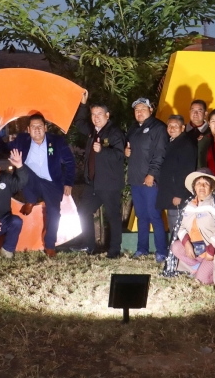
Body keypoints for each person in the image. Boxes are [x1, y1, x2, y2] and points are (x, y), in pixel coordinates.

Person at [0, 113, 75, 258]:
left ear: (45, 128)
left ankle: (50, 245)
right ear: (28, 129)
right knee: (23, 167)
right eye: (33, 127)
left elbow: (70, 163)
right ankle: (30, 199)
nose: (37, 129)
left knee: (54, 213)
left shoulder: (57, 141)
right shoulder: (22, 140)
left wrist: (69, 182)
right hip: (31, 180)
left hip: (52, 184)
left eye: (40, 126)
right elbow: (4, 149)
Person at [162, 168, 215, 285]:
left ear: (212, 187)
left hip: (213, 253)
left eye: (206, 183)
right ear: (194, 187)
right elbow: (181, 226)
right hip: (196, 249)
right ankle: (197, 265)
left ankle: (210, 271)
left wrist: (211, 250)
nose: (202, 186)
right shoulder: (189, 204)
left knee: (201, 280)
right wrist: (186, 243)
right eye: (198, 183)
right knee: (176, 246)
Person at [74, 93, 126, 258]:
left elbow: (120, 155)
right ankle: (89, 246)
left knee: (113, 216)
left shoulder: (114, 132)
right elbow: (78, 123)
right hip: (93, 184)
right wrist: (83, 105)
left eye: (99, 114)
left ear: (107, 115)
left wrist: (103, 151)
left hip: (109, 184)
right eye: (93, 114)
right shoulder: (92, 131)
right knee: (83, 212)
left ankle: (114, 251)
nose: (96, 118)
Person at [125, 98, 169, 262]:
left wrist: (152, 174)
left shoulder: (158, 127)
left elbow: (160, 153)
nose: (139, 112)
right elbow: (128, 146)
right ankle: (141, 249)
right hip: (136, 179)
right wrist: (126, 151)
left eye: (143, 108)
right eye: (136, 109)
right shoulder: (133, 128)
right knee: (141, 216)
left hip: (151, 180)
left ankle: (161, 251)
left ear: (151, 110)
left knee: (154, 215)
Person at [156, 115, 199, 231]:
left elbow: (187, 171)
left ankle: (177, 249)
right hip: (170, 192)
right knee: (173, 224)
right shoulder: (171, 142)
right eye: (170, 126)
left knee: (178, 228)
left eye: (176, 126)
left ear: (183, 127)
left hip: (178, 194)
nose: (172, 128)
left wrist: (180, 194)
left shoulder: (186, 144)